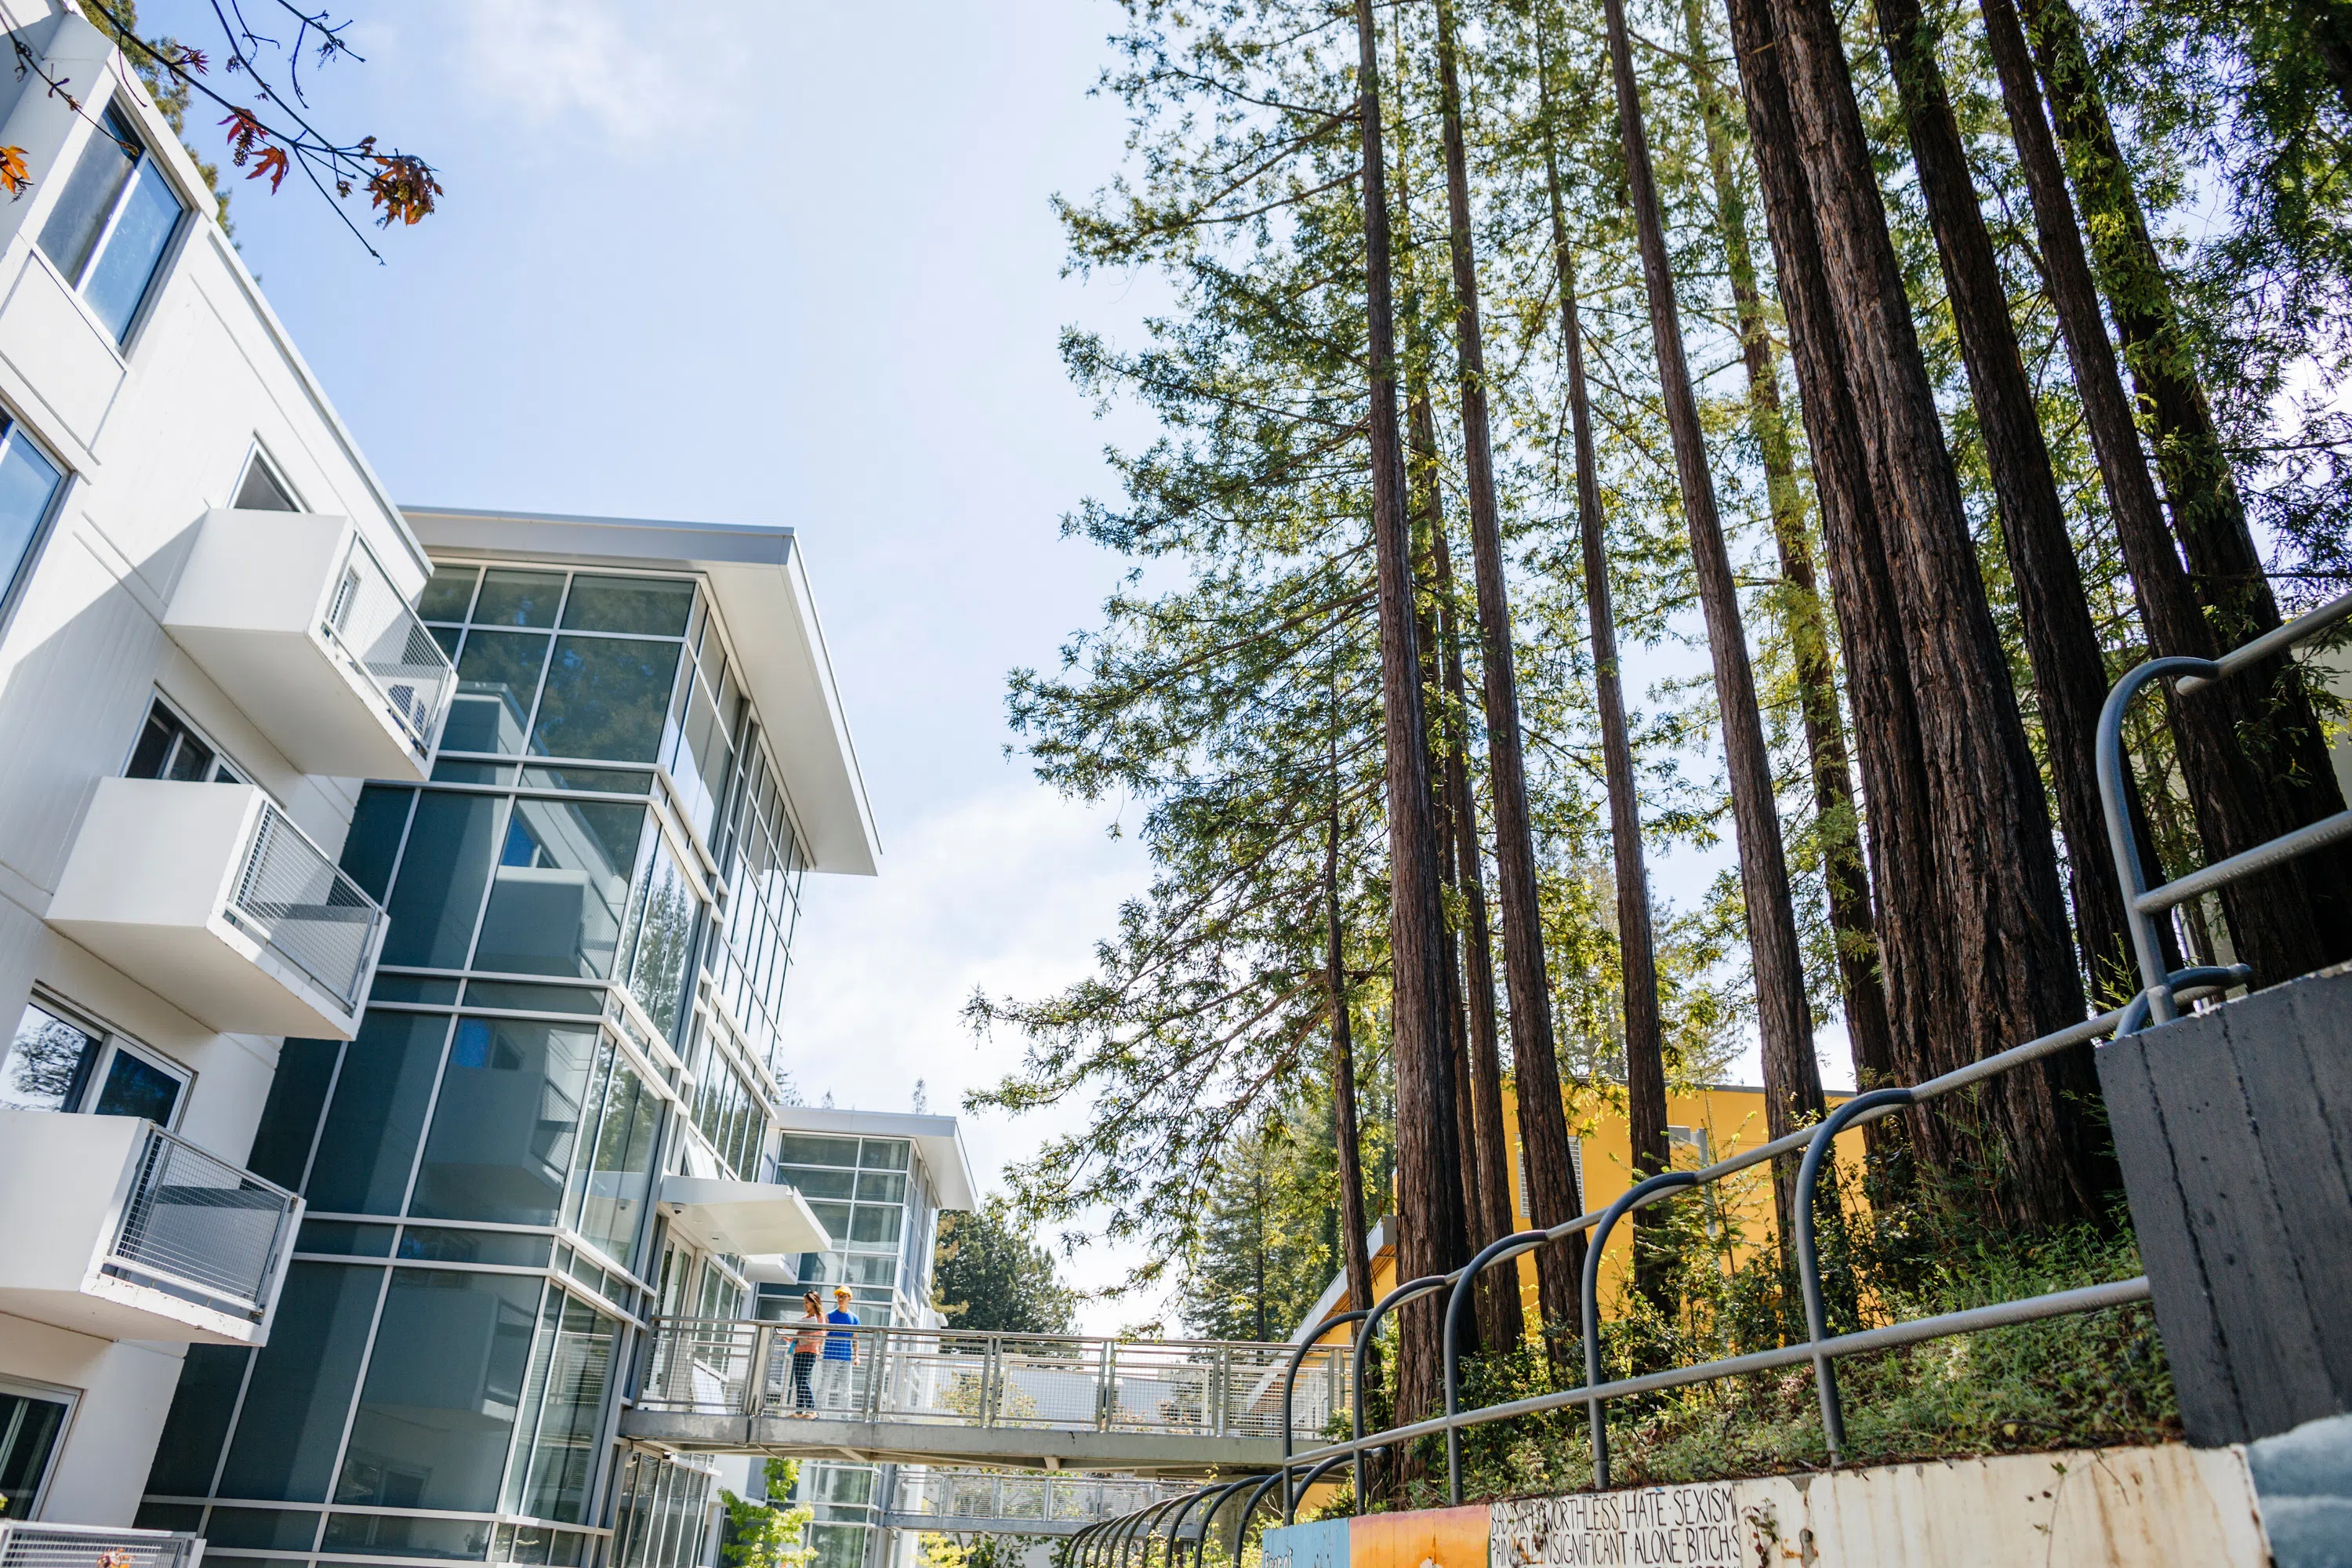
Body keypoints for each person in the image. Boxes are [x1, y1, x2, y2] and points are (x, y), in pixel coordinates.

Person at [816, 1285, 859, 1412]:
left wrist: (856, 1356)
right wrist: (818, 1348)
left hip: (846, 1359)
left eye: (843, 1296)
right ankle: (817, 1413)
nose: (840, 1299)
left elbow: (855, 1339)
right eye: (838, 1296)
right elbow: (822, 1334)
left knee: (846, 1390)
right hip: (830, 1357)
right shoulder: (829, 1316)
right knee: (825, 1386)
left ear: (849, 1299)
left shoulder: (854, 1318)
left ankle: (847, 1417)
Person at [789, 1291, 823, 1414]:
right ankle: (799, 1412)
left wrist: (806, 1336)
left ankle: (811, 1410)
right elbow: (797, 1337)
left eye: (807, 1302)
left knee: (803, 1379)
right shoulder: (804, 1318)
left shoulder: (820, 1318)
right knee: (799, 1381)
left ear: (814, 1302)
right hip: (799, 1351)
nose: (805, 1305)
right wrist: (784, 1335)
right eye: (804, 1303)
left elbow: (821, 1335)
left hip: (811, 1352)